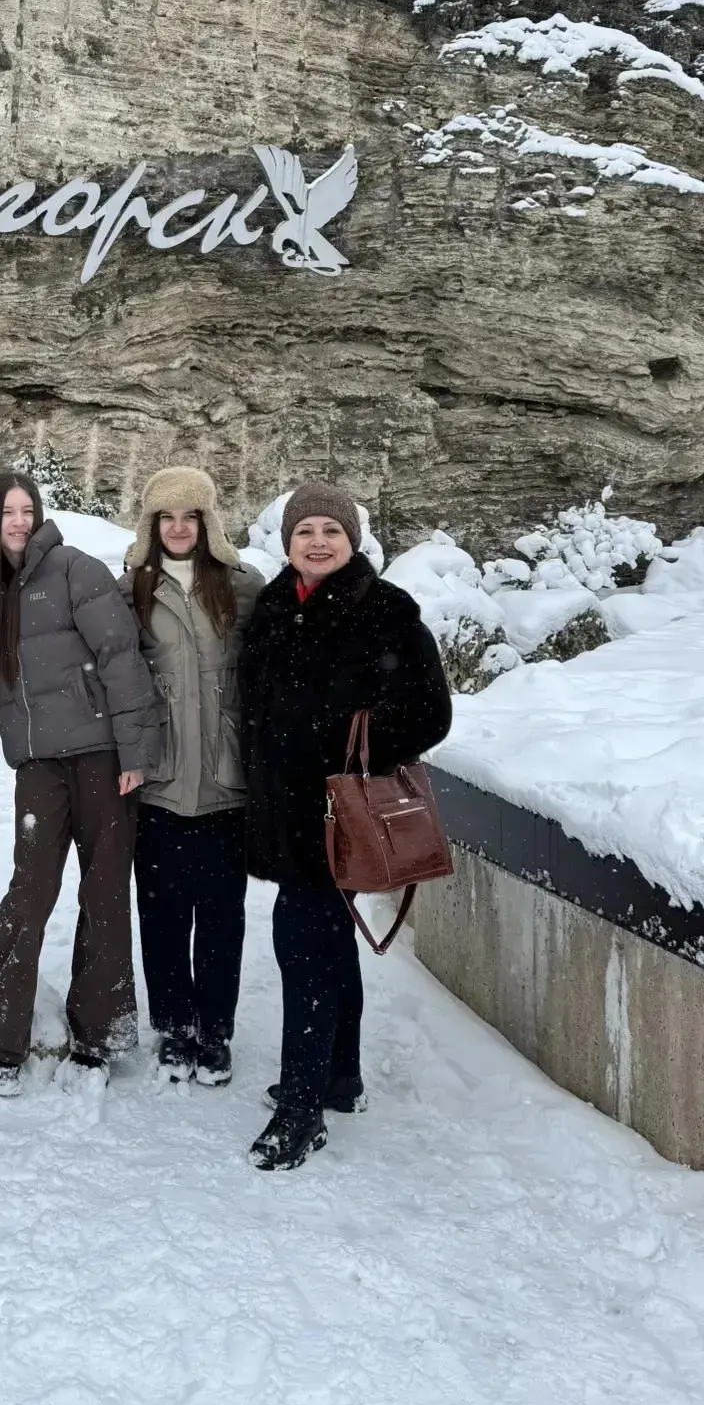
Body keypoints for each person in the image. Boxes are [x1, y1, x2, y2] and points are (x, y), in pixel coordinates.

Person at [239, 484, 451, 1172]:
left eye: (332, 530)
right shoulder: (274, 607)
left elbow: (430, 713)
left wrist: (344, 743)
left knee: (302, 945)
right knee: (326, 942)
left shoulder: (385, 610)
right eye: (306, 531)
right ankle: (340, 1076)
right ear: (288, 542)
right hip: (286, 813)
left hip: (339, 815)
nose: (318, 542)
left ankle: (301, 1109)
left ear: (352, 541)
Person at [0, 472, 159, 1096]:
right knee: (29, 890)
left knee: (104, 892)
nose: (18, 522)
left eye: (27, 510)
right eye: (7, 512)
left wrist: (134, 751)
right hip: (39, 765)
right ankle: (0, 1034)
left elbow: (121, 658)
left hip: (101, 758)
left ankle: (99, 1034)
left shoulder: (76, 568)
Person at [119, 467, 263, 1087]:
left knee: (223, 919)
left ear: (209, 522)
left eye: (190, 516)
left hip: (227, 784)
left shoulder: (244, 587)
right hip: (160, 781)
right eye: (166, 517)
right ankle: (175, 1026)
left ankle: (215, 1032)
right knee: (163, 915)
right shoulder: (130, 590)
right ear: (150, 524)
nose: (178, 528)